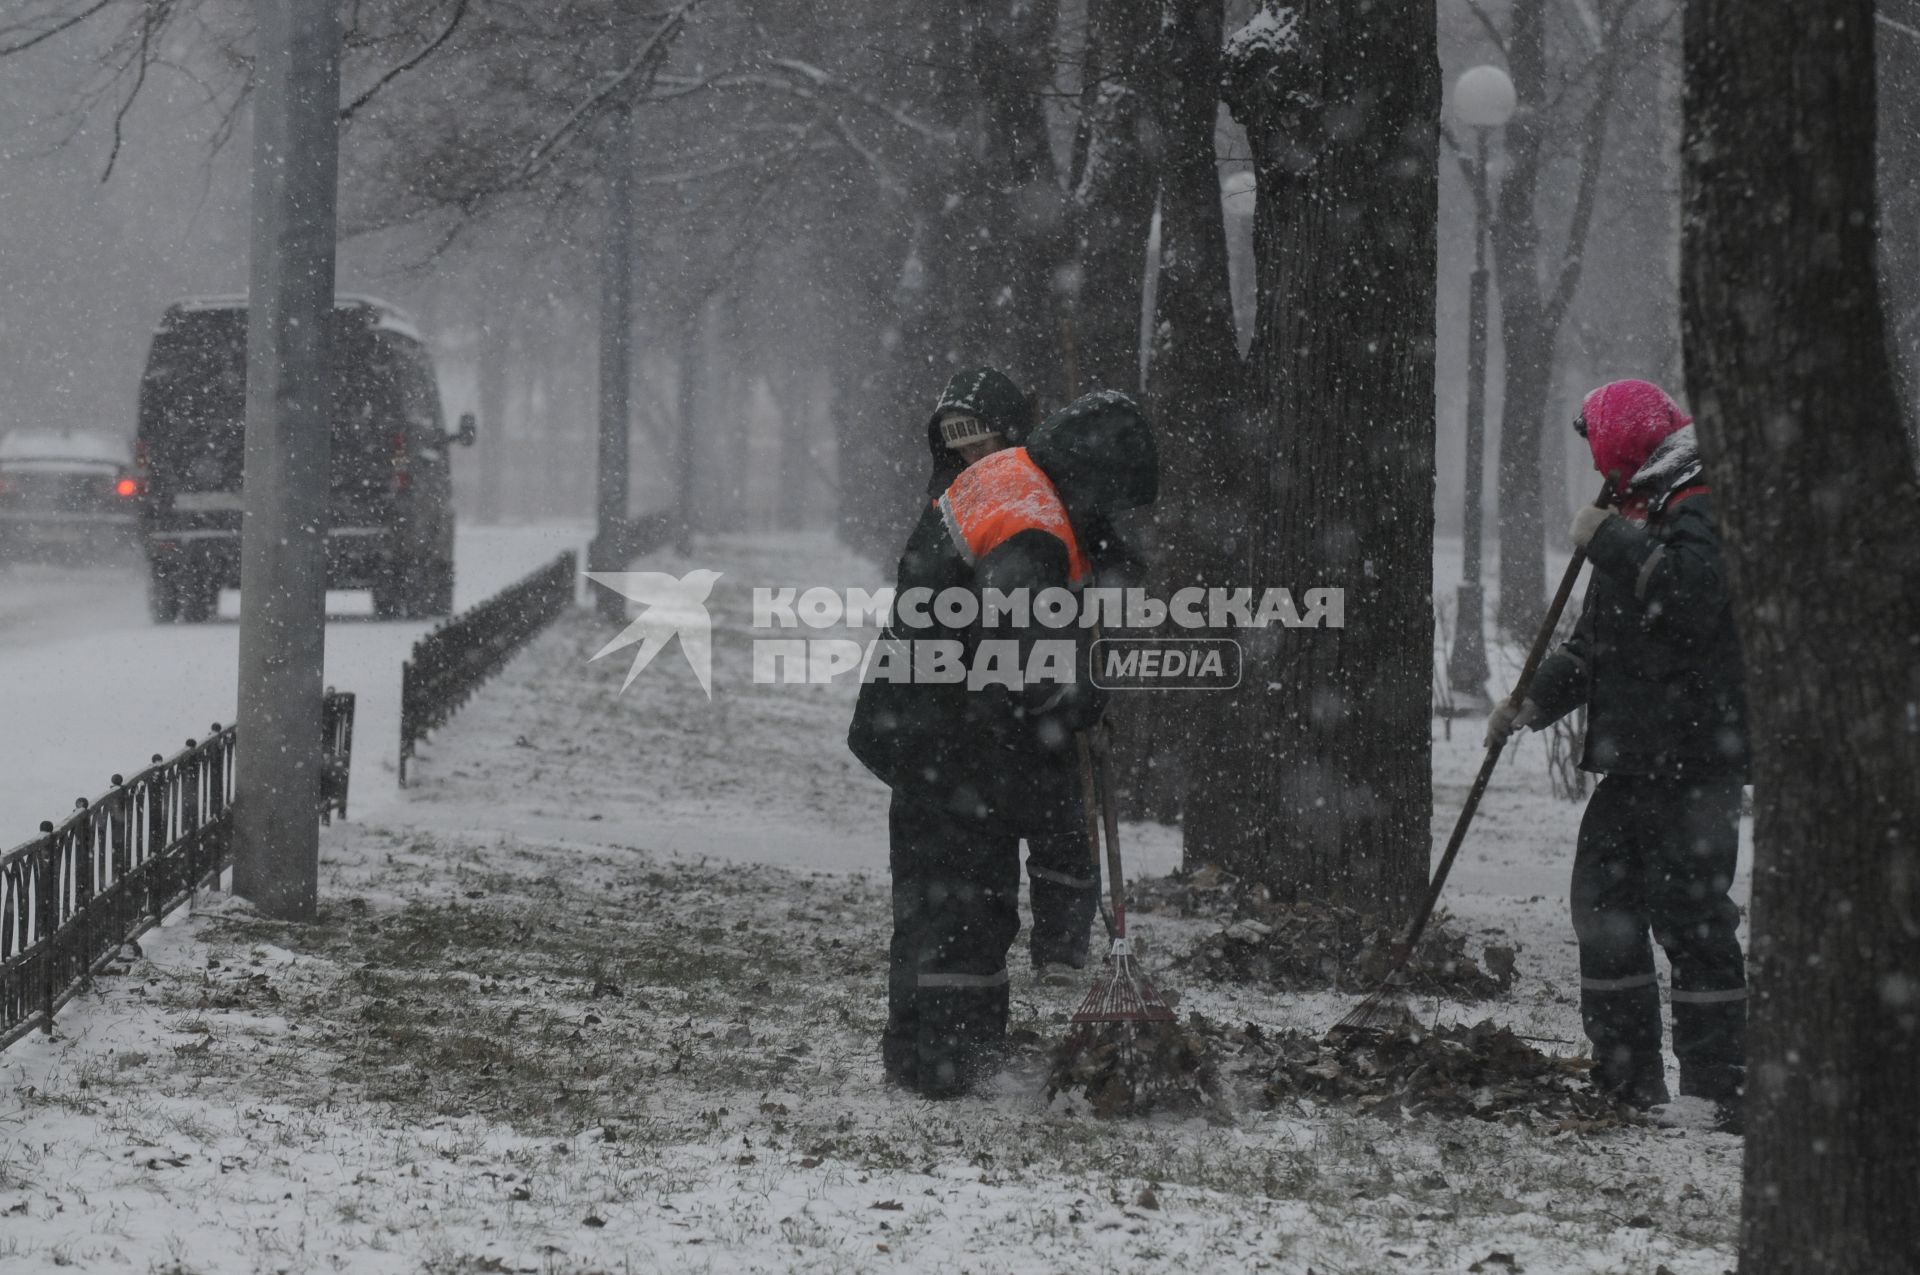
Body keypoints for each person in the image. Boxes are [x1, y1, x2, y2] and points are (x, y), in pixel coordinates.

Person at [847, 368, 1157, 1097]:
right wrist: (1081, 694)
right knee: (966, 901)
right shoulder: (1030, 521)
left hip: (927, 720)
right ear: (1091, 478)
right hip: (948, 731)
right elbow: (1028, 644)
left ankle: (925, 1049)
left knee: (934, 896)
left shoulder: (1017, 482)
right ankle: (950, 1060)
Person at [1487, 378, 1749, 1121]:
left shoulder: (1699, 497)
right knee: (1602, 906)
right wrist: (1530, 701)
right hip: (1636, 761)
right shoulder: (1641, 506)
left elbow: (1693, 596)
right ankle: (1626, 1076)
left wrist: (1608, 538)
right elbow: (1595, 642)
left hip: (1694, 757)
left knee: (1691, 914)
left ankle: (1717, 1086)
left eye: (1598, 443)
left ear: (1623, 440)